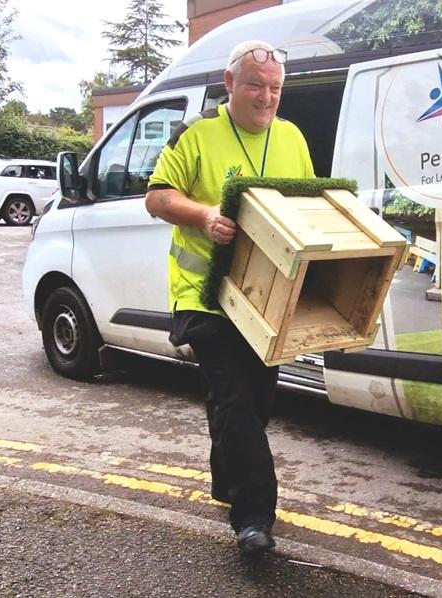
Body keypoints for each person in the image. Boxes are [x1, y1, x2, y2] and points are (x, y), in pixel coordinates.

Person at [144, 40, 314, 557]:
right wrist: (203, 215)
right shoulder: (197, 135)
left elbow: (307, 205)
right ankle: (254, 518)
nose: (266, 97)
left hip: (264, 299)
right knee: (237, 399)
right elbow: (157, 196)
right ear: (230, 84)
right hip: (204, 295)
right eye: (255, 85)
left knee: (251, 401)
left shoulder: (291, 137)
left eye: (275, 88)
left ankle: (226, 483)